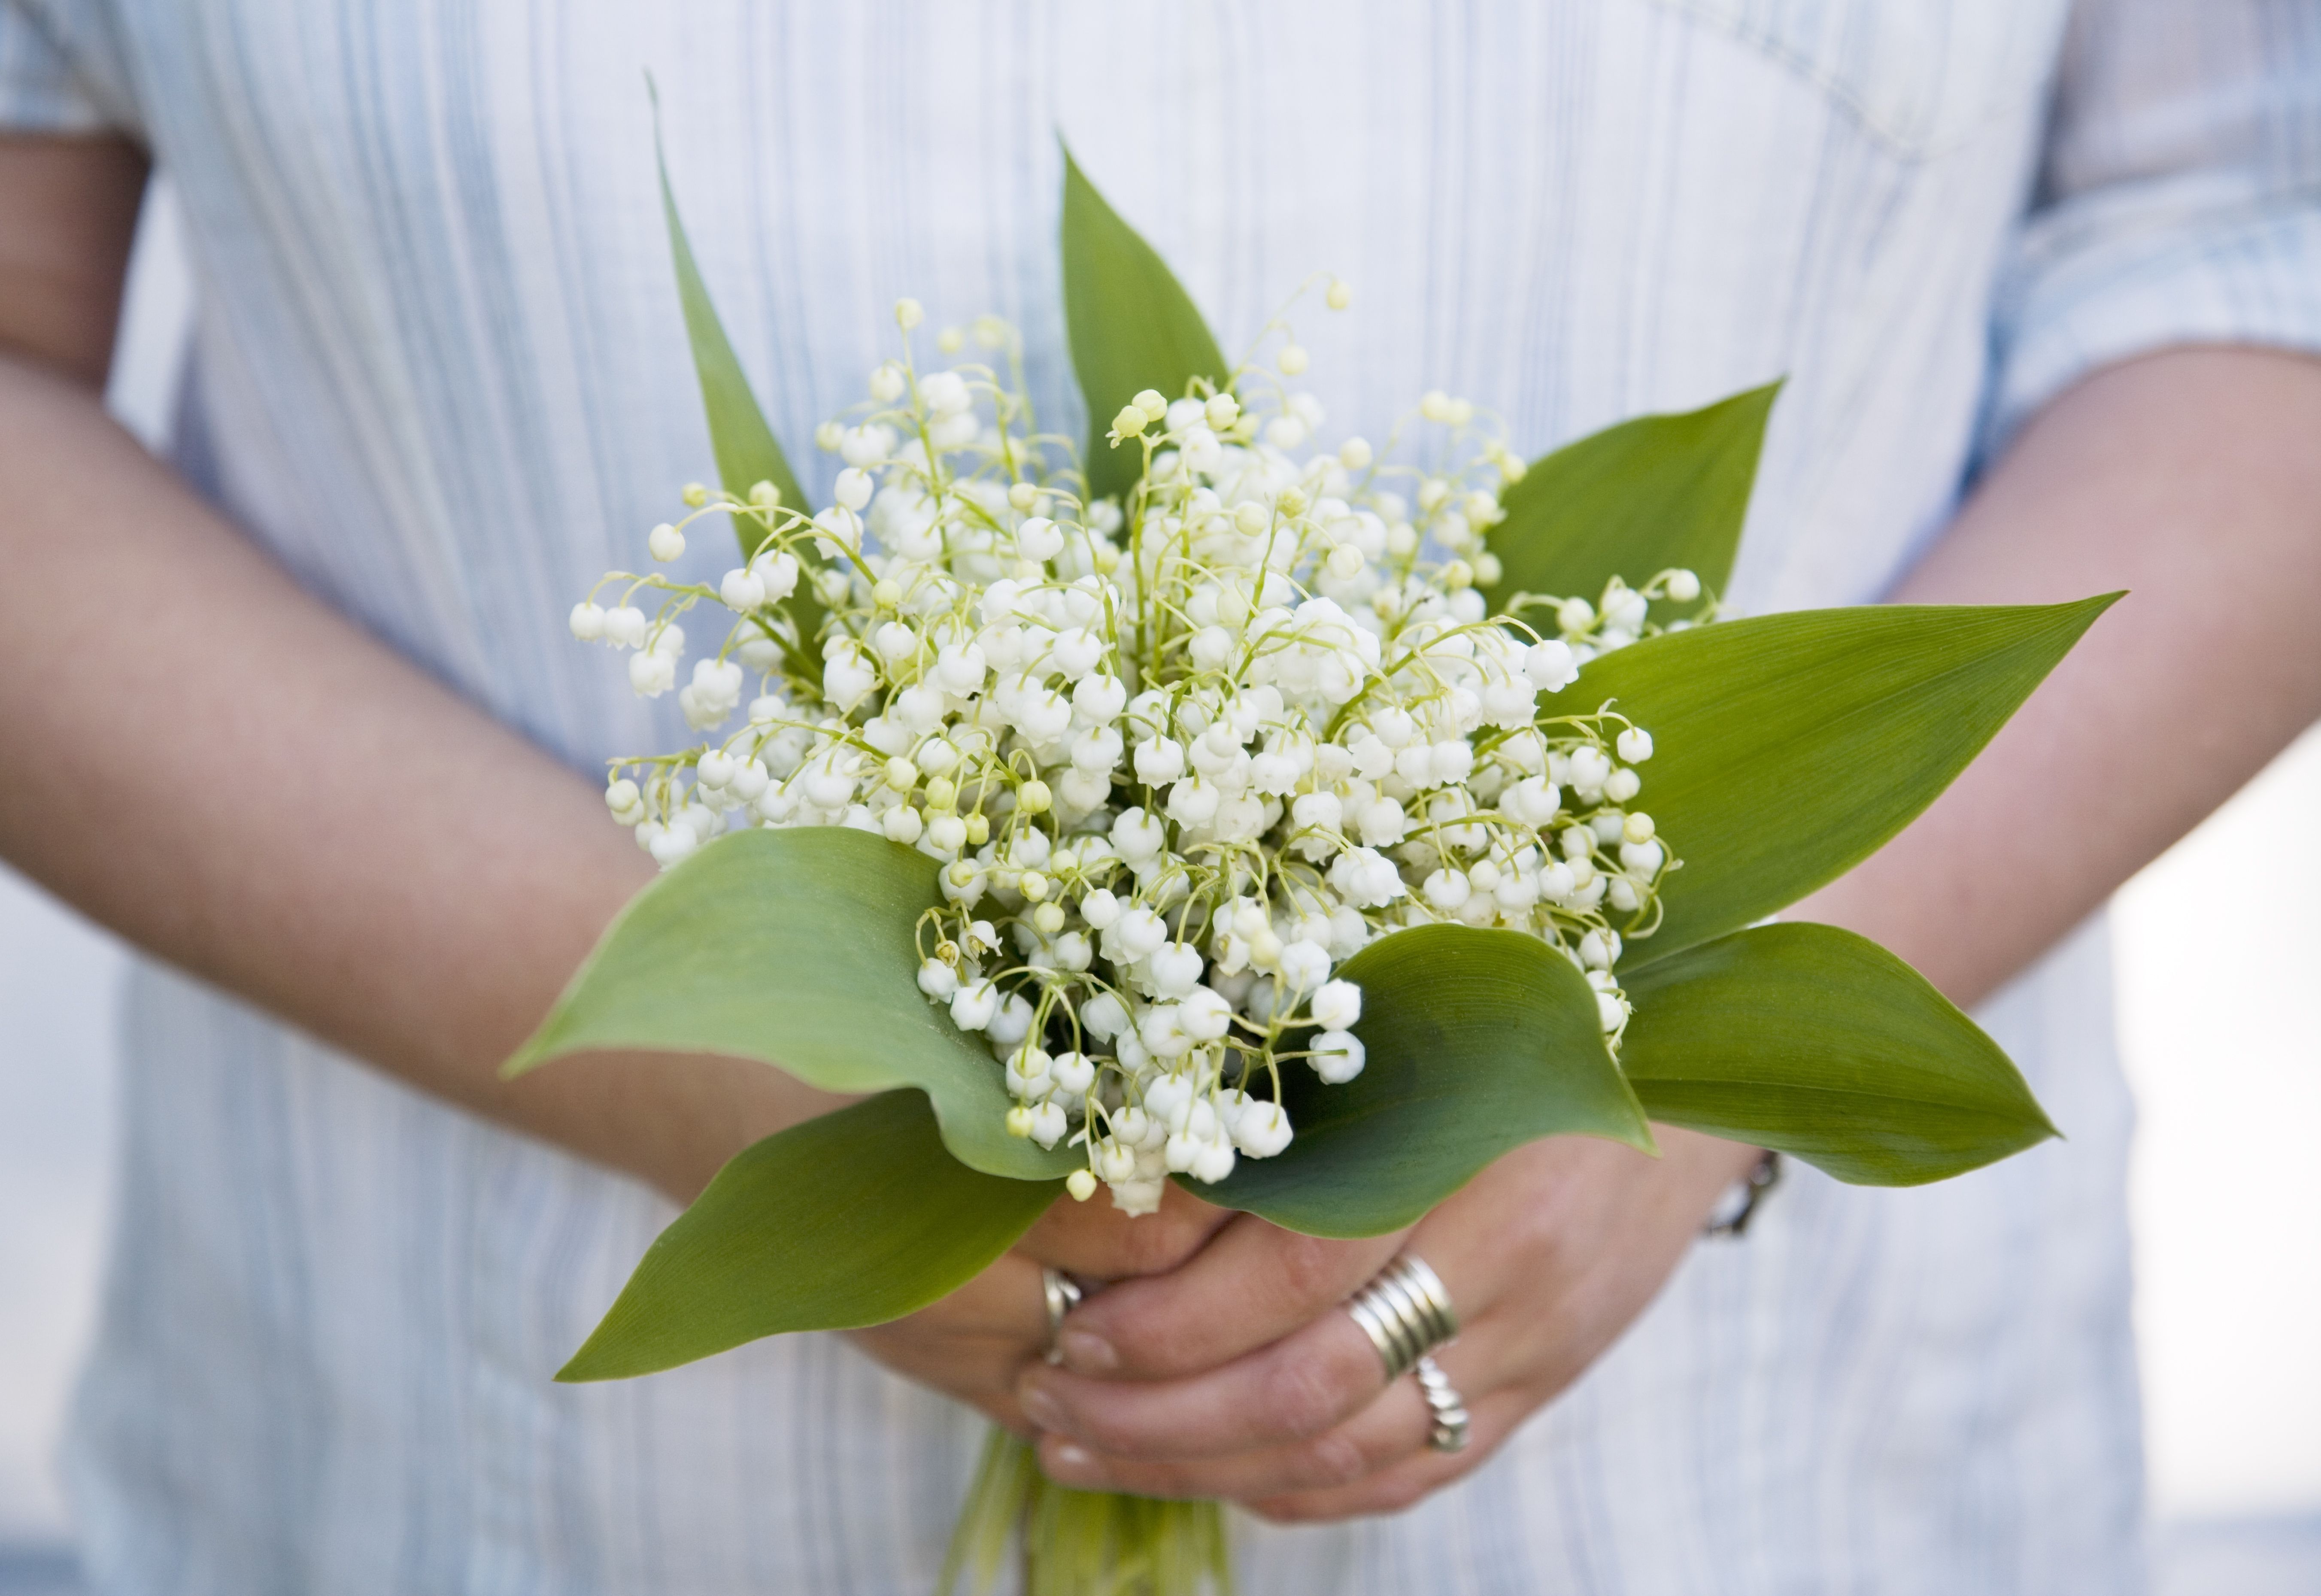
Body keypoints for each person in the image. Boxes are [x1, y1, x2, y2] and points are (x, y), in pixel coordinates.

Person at [2, 1, 2316, 1591]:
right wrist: (732, 1059)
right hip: (443, 1478)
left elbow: (2257, 247)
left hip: (1778, 1489)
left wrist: (1651, 1092)